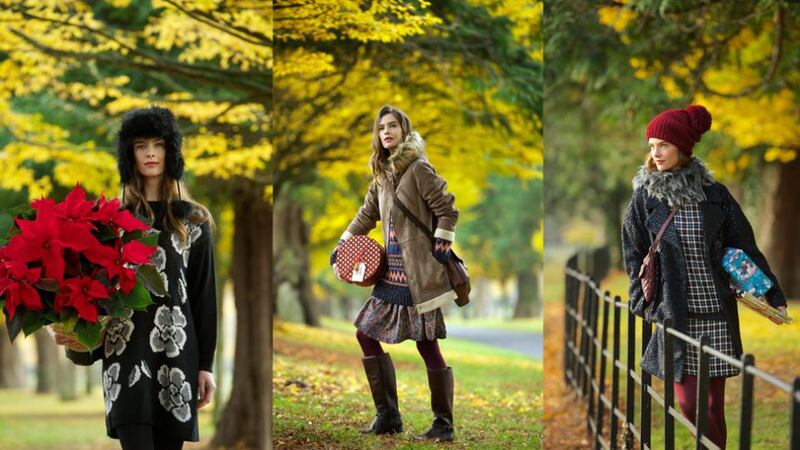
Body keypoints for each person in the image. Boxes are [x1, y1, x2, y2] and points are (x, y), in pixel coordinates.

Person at [52, 106, 218, 450]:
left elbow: (204, 298)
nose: (151, 153)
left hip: (177, 358)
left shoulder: (194, 221)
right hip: (125, 355)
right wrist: (78, 336)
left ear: (171, 151)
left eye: (158, 144)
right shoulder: (109, 221)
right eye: (141, 145)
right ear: (130, 153)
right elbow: (92, 289)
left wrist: (206, 366)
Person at [622, 105, 787, 448]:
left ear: (682, 148)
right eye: (652, 146)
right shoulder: (645, 197)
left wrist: (772, 294)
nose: (657, 152)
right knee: (688, 403)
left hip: (716, 313)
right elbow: (632, 249)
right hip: (675, 315)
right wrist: (642, 301)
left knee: (712, 405)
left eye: (664, 145)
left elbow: (745, 245)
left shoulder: (715, 195)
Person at [331, 105, 460, 442]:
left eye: (392, 126)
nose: (385, 132)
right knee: (364, 332)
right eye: (381, 128)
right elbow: (366, 214)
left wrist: (443, 241)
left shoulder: (418, 168)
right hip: (390, 274)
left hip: (419, 274)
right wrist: (342, 244)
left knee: (426, 345)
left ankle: (443, 425)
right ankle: (388, 416)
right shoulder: (382, 174)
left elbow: (447, 209)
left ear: (404, 131)